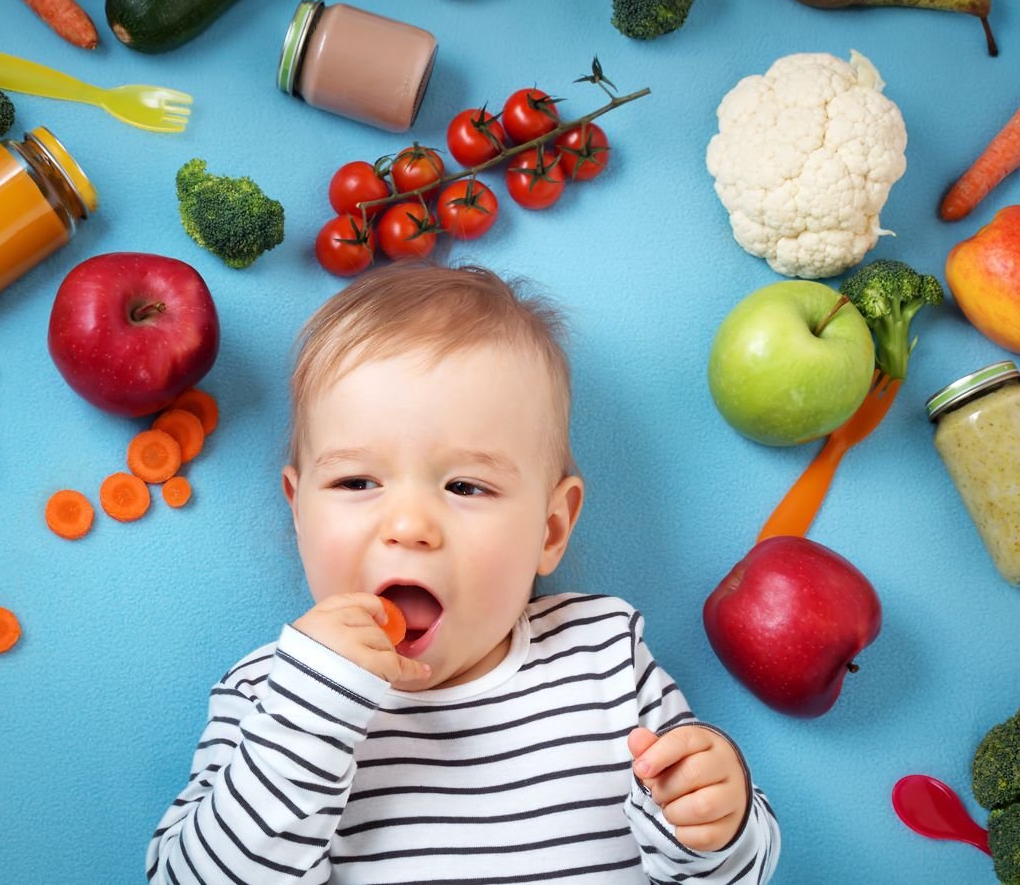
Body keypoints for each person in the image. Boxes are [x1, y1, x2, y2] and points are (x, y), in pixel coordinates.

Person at [146, 263, 780, 883]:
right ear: (299, 515)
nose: (410, 524)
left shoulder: (603, 656)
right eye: (356, 481)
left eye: (467, 486)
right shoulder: (273, 692)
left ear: (550, 529)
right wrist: (314, 709)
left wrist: (710, 821)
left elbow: (727, 869)